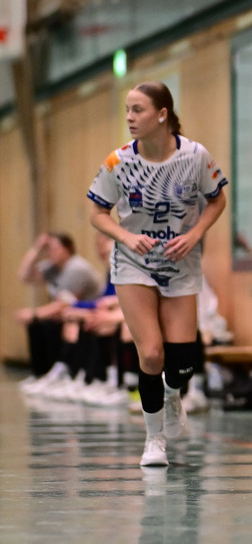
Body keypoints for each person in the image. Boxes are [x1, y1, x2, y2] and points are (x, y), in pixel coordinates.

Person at [88, 81, 228, 467]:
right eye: (128, 111)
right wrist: (125, 236)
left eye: (138, 110)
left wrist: (196, 234)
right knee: (150, 354)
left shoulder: (195, 156)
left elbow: (218, 199)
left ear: (162, 115)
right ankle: (154, 442)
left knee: (181, 365)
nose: (130, 118)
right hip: (134, 264)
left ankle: (173, 394)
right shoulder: (118, 162)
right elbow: (97, 213)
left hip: (180, 264)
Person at [16, 232, 104, 392]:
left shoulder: (76, 268)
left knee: (46, 321)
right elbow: (24, 276)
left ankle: (64, 372)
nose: (51, 253)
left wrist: (34, 313)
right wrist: (37, 249)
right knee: (37, 323)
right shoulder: (52, 267)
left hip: (88, 311)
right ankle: (41, 374)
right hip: (69, 313)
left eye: (55, 249)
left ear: (68, 249)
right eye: (49, 249)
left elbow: (64, 304)